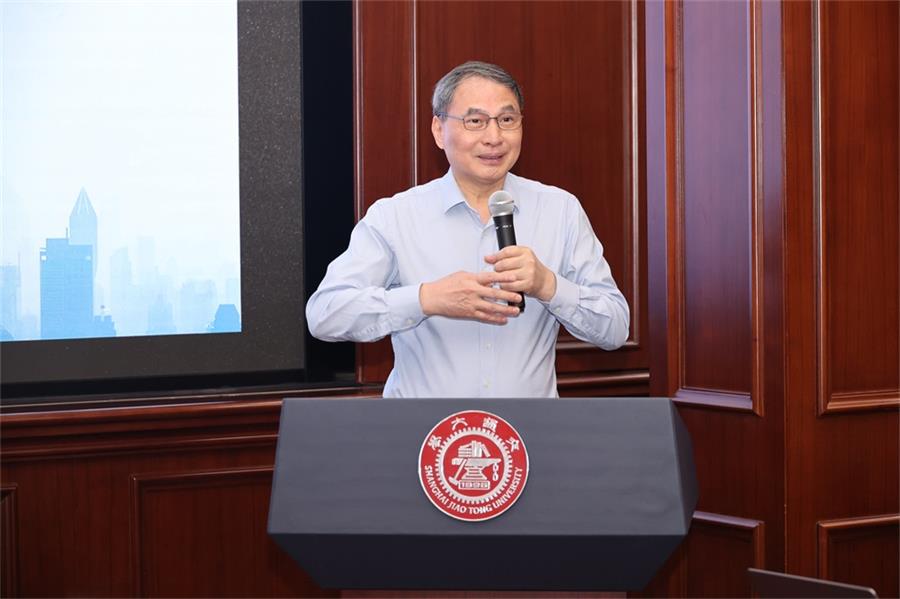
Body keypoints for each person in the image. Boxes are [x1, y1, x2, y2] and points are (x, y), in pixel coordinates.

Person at [306, 61, 629, 397]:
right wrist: (427, 299)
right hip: (426, 429)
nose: (494, 137)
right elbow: (326, 314)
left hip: (525, 429)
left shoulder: (560, 211)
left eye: (507, 120)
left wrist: (548, 285)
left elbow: (615, 328)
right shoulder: (395, 216)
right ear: (438, 130)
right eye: (475, 121)